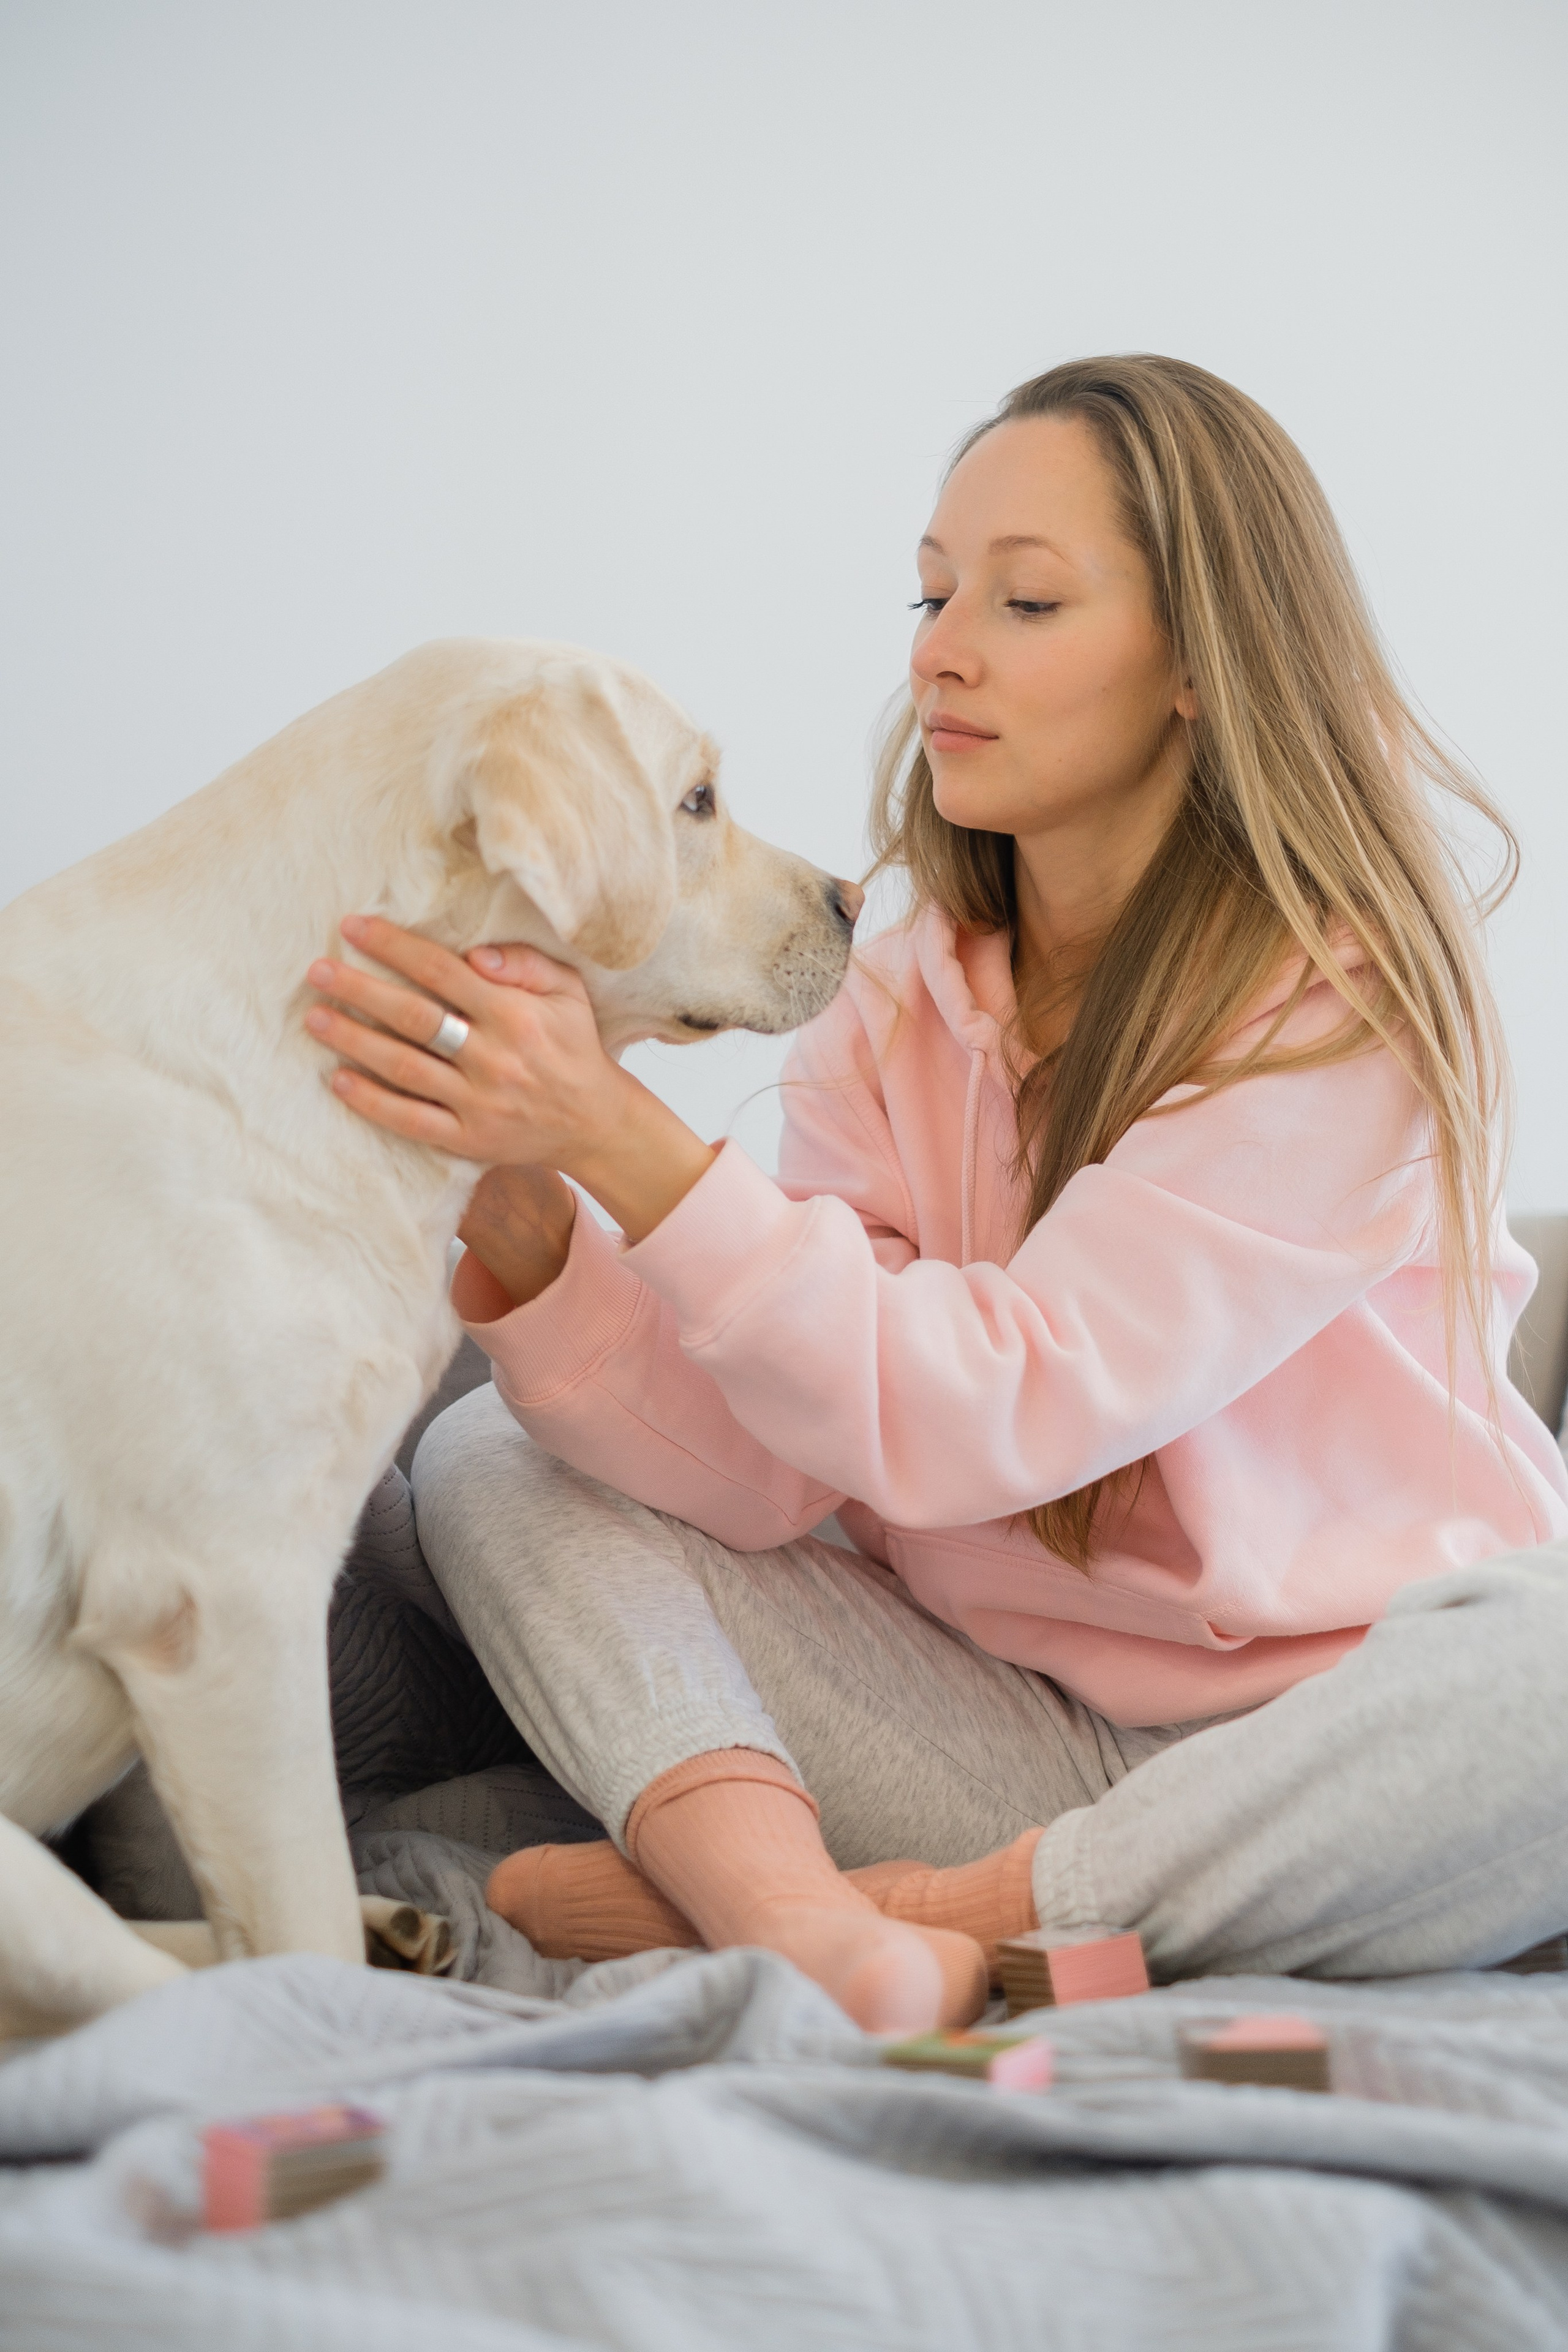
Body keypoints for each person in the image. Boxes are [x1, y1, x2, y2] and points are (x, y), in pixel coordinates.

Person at [306, 356, 1568, 2034]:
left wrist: (623, 1135)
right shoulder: (892, 1000)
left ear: (1200, 662)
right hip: (989, 1719)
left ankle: (899, 1917)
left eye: (1026, 599)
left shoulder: (1346, 1010)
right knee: (488, 1450)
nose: (940, 647)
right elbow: (783, 1463)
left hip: (1339, 1739)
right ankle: (819, 1933)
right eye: (932, 590)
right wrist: (539, 1226)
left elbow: (1006, 1398)